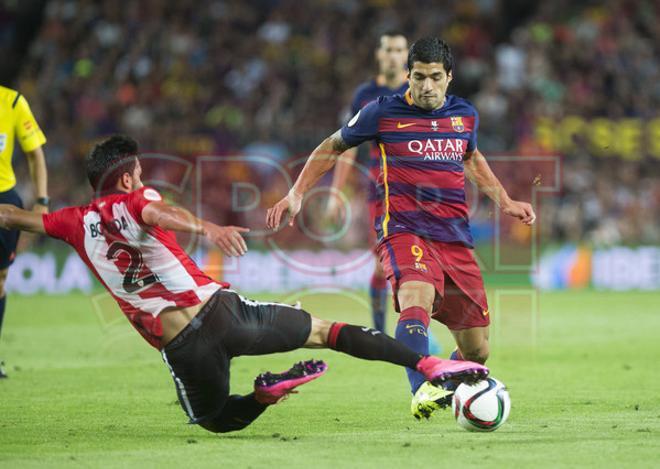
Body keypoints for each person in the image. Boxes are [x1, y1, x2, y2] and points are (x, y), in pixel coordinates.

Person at [0, 134, 488, 432]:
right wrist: (207, 228)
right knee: (327, 331)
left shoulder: (70, 220)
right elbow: (155, 210)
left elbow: (13, 216)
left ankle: (263, 396)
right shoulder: (134, 199)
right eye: (140, 173)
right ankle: (427, 361)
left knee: (212, 420)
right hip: (226, 314)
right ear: (127, 179)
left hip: (184, 349)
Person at [266, 37, 535, 419]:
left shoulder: (465, 115)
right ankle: (421, 388)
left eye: (435, 77)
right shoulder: (381, 111)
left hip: (455, 239)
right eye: (419, 77)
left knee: (478, 351)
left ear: (449, 77)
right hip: (403, 230)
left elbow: (472, 158)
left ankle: (449, 377)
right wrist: (296, 194)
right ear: (408, 76)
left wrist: (505, 201)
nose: (427, 86)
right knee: (416, 297)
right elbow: (332, 146)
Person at [0, 85, 49, 378]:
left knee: (1, 278)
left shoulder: (13, 102)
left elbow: (35, 155)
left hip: (4, 198)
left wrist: (42, 200)